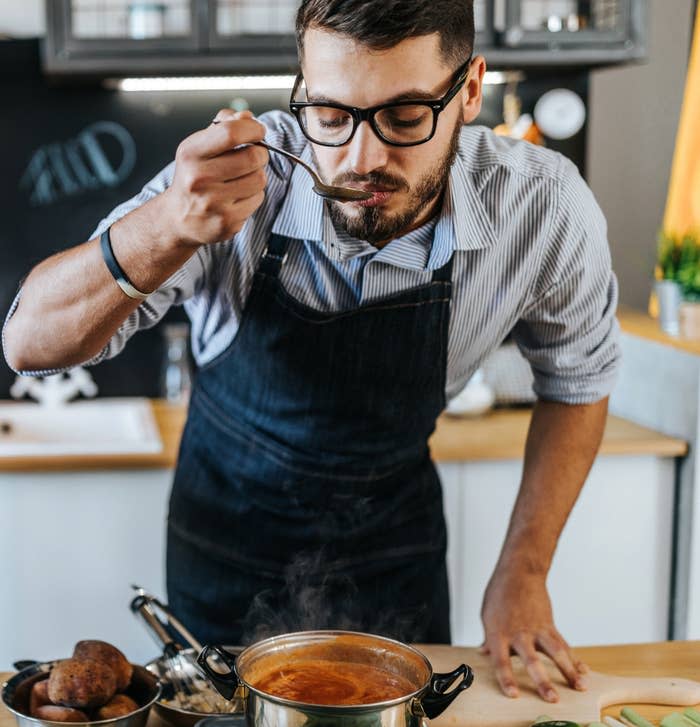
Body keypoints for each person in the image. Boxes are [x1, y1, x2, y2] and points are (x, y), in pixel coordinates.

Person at [3, 0, 619, 705]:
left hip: (395, 551)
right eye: (330, 114)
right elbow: (28, 343)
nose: (361, 158)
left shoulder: (541, 207)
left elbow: (579, 379)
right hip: (226, 546)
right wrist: (165, 226)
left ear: (470, 90)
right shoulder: (238, 182)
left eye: (405, 116)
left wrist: (526, 569)